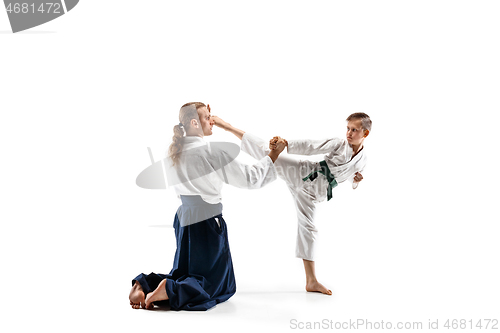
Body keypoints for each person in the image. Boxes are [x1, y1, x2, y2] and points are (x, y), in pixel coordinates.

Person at [129, 102, 286, 310]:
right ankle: (168, 289)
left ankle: (144, 284)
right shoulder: (213, 152)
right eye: (207, 117)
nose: (211, 120)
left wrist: (213, 119)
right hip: (206, 221)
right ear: (195, 122)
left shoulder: (173, 151)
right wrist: (274, 155)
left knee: (185, 272)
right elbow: (251, 178)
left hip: (184, 219)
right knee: (217, 285)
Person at [212, 112, 371, 295]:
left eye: (354, 130)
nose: (349, 133)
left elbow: (352, 178)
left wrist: (357, 180)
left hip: (312, 194)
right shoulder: (339, 144)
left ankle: (311, 281)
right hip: (303, 173)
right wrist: (286, 143)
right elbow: (312, 146)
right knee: (268, 152)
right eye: (348, 128)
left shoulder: (363, 159)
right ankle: (227, 126)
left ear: (365, 133)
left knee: (309, 229)